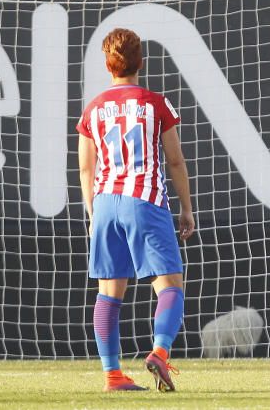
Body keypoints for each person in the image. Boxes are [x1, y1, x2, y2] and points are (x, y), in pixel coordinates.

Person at [76, 27, 195, 392]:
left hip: (105, 203)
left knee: (109, 292)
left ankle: (112, 374)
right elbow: (174, 161)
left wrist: (92, 212)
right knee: (171, 285)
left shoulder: (93, 108)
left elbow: (85, 166)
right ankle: (159, 352)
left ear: (108, 63)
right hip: (143, 200)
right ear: (140, 60)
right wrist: (187, 209)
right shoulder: (155, 103)